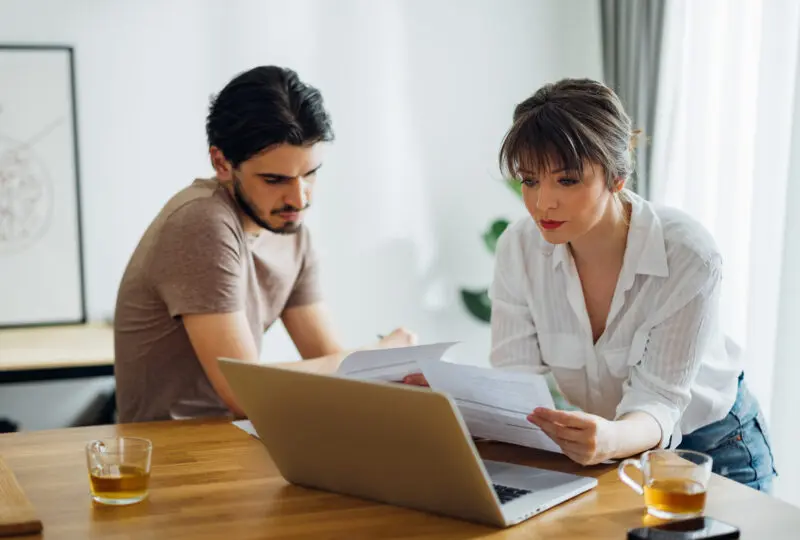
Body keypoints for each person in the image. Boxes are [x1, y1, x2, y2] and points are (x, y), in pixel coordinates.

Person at [407, 78, 776, 492]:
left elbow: (660, 402)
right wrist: (454, 396)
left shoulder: (688, 254)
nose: (542, 203)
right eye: (529, 180)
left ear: (617, 177)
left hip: (713, 450)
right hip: (609, 452)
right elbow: (516, 378)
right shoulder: (519, 247)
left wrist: (607, 440)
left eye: (566, 181)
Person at [114, 66, 416, 423]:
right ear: (221, 163)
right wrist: (379, 355)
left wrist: (384, 368)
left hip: (245, 438)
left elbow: (341, 373)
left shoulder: (291, 231)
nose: (299, 199)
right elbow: (246, 392)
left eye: (310, 174)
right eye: (275, 179)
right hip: (177, 455)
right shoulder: (202, 222)